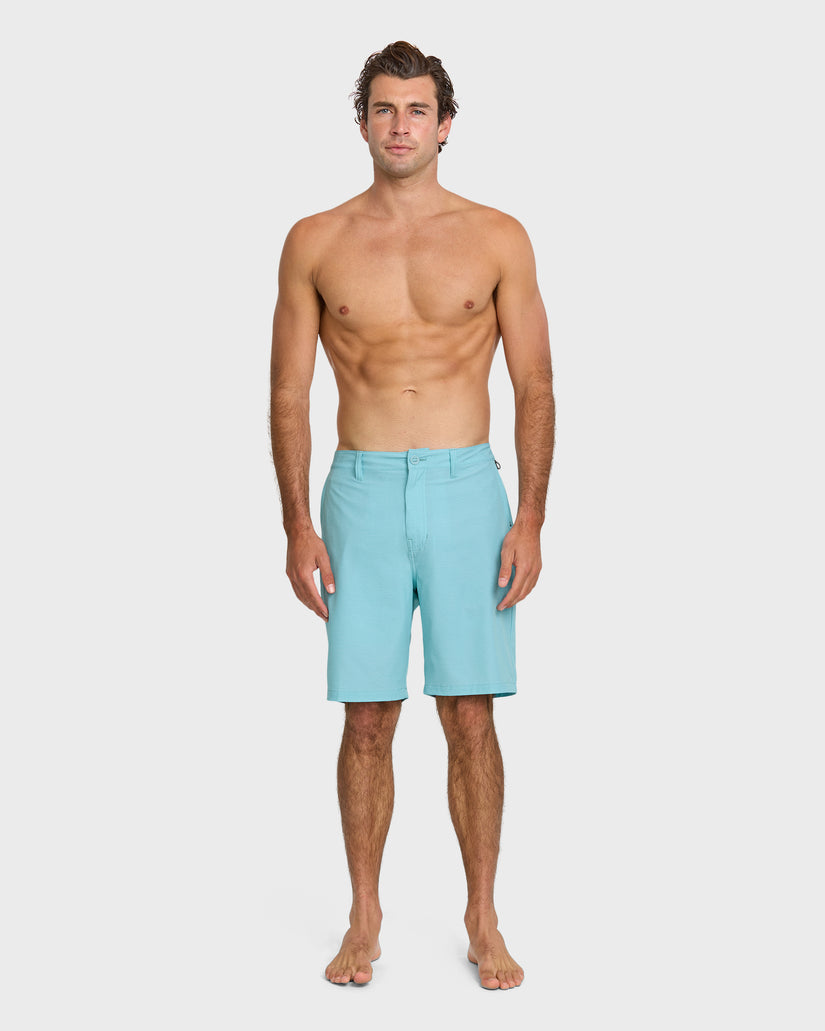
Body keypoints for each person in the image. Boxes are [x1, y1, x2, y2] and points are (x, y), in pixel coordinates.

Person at [269, 40, 554, 990]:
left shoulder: (497, 236)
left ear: (444, 124)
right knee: (366, 718)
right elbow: (287, 392)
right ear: (362, 123)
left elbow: (535, 384)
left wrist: (531, 518)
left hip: (469, 488)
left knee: (471, 713)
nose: (400, 125)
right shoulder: (315, 239)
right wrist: (296, 524)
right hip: (358, 491)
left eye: (417, 109)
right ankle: (364, 914)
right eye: (384, 109)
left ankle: (482, 915)